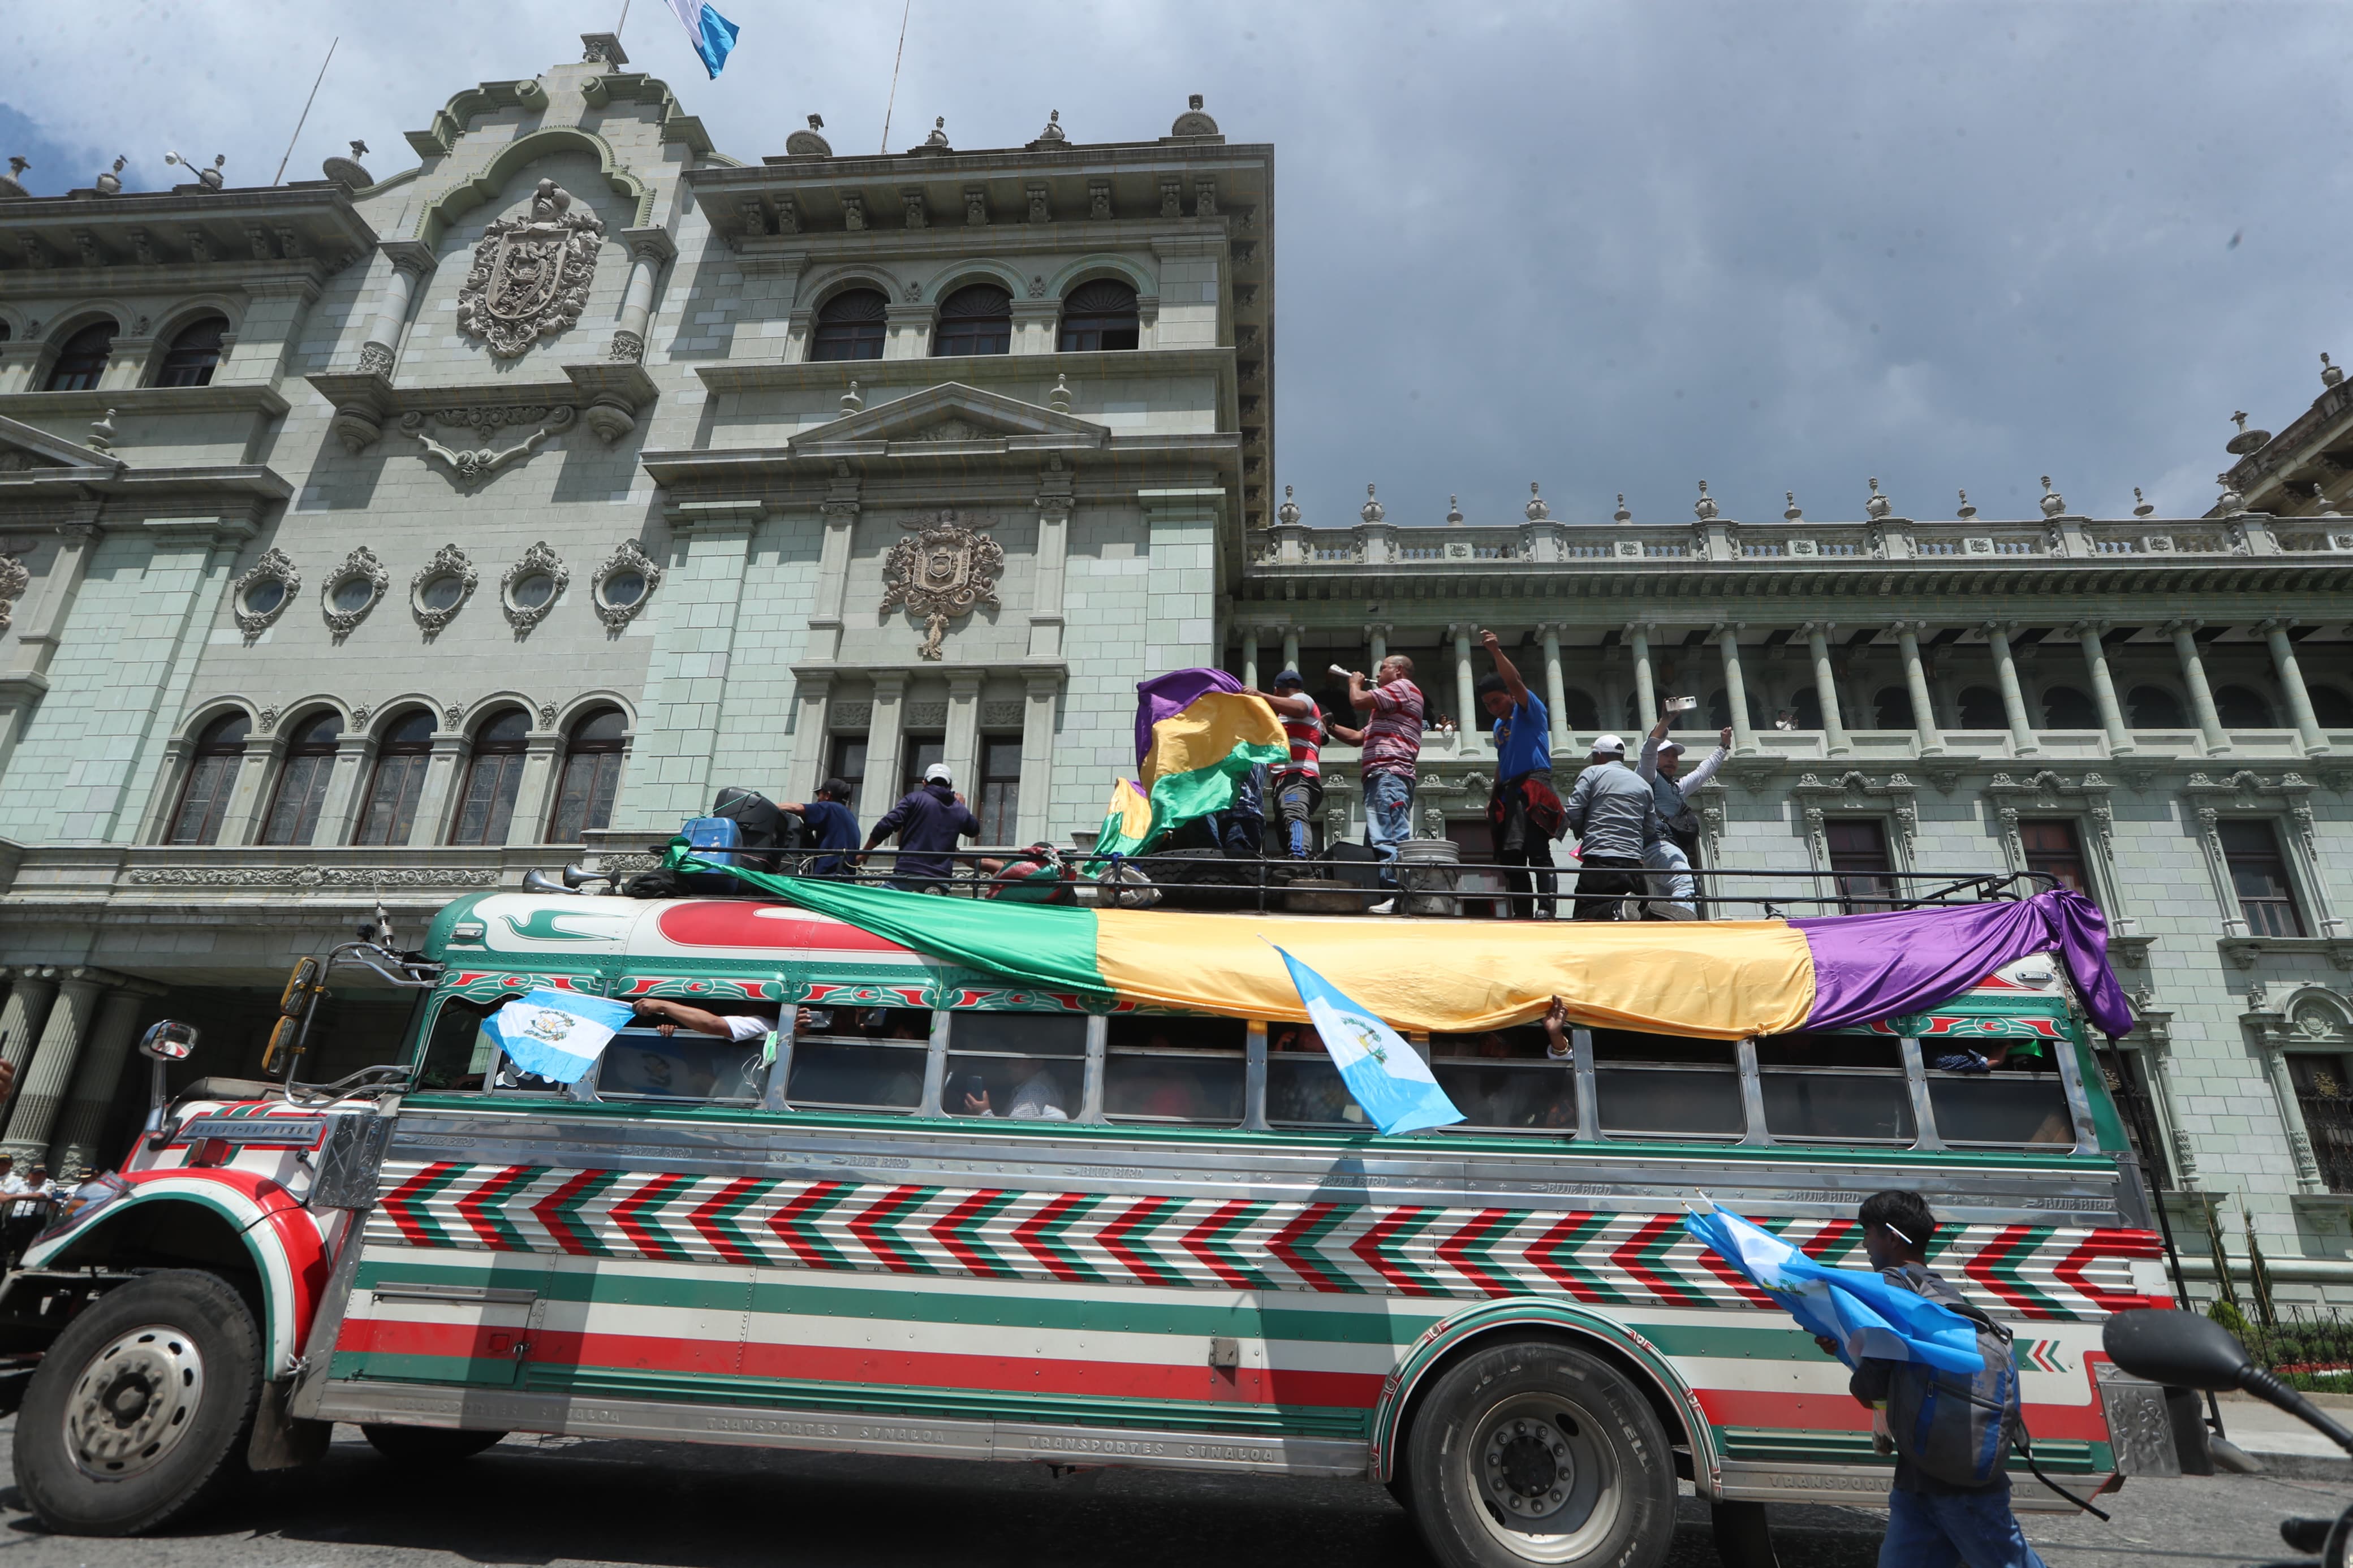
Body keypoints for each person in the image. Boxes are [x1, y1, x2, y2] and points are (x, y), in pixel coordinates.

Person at [1818, 1189, 2048, 1568]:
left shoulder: (1889, 1293)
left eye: (1869, 1231)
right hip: (1930, 1472)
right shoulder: (1939, 1291)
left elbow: (1873, 1386)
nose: (1864, 1242)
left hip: (1947, 1483)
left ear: (1892, 1237)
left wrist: (1852, 1359)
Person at [1476, 629, 1560, 919]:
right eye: (1487, 705)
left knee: (1538, 852)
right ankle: (1522, 915)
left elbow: (1515, 681)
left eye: (1497, 701)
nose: (1492, 709)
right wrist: (1492, 796)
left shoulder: (1529, 711)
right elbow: (1503, 761)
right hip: (1509, 789)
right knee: (1512, 857)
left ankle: (1547, 910)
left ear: (1510, 696)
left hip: (1535, 783)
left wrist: (1496, 652)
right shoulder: (1498, 728)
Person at [1342, 654, 1425, 896]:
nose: (1377, 675)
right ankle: (1384, 895)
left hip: (1389, 773)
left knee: (1388, 838)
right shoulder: (1389, 710)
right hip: (1386, 776)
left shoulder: (1402, 688)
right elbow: (1359, 738)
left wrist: (1354, 683)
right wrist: (1330, 726)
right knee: (1378, 840)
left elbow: (1358, 701)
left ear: (1398, 670)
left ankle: (1395, 895)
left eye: (1382, 669)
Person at [1561, 735, 1659, 919]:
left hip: (1600, 863)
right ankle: (1656, 916)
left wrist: (1584, 832)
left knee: (1584, 915)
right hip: (1634, 867)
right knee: (1635, 927)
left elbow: (1573, 812)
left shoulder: (1593, 773)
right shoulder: (1643, 785)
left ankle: (1616, 909)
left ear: (1599, 755)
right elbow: (1649, 829)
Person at [856, 763, 980, 892]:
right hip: (940, 881)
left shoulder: (914, 799)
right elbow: (974, 830)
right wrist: (962, 807)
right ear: (950, 786)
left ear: (925, 783)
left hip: (909, 874)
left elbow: (885, 826)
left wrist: (864, 854)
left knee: (869, 904)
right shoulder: (958, 809)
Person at [1249, 669, 1327, 860]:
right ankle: (1297, 863)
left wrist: (1260, 695)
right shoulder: (1288, 715)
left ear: (1276, 691)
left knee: (1293, 815)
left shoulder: (1304, 700)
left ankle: (1300, 858)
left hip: (1297, 778)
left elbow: (1300, 708)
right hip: (1289, 780)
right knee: (1285, 827)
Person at [1636, 711, 1731, 865]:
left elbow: (1702, 773)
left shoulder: (1677, 788)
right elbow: (1648, 751)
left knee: (1676, 883)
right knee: (1684, 880)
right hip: (1655, 844)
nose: (1671, 760)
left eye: (1675, 756)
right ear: (1655, 757)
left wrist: (1723, 746)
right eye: (1665, 755)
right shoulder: (1647, 776)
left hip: (1667, 845)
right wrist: (1665, 722)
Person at [780, 777, 860, 877]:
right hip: (844, 878)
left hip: (830, 877)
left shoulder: (830, 807)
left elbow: (797, 808)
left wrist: (770, 806)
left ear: (828, 796)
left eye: (819, 794)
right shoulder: (849, 817)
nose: (817, 799)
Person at [962, 1056, 1071, 1120]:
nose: (1009, 1065)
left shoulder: (1034, 1091)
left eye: (1017, 1061)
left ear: (1037, 1063)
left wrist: (983, 1113)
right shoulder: (1042, 1083)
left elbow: (1012, 1137)